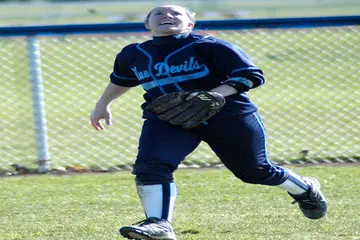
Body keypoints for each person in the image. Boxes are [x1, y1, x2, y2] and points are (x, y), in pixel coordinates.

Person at [90, 5, 327, 240]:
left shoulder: (208, 46)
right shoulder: (134, 54)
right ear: (147, 24)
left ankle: (305, 189)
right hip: (168, 119)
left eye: (176, 13)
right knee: (151, 166)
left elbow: (251, 75)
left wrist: (215, 94)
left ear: (190, 24)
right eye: (159, 13)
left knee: (254, 171)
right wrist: (103, 104)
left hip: (227, 116)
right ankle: (159, 225)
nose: (167, 16)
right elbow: (122, 79)